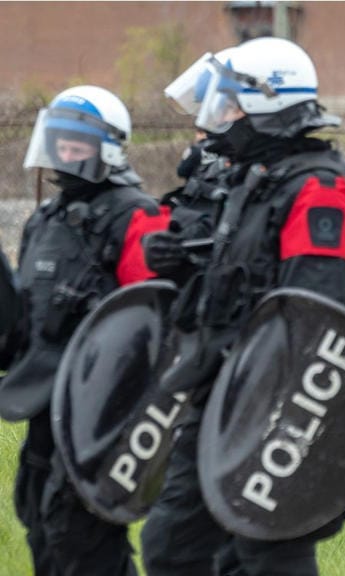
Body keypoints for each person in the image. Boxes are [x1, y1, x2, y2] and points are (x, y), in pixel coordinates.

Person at [140, 37, 345, 576]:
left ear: (269, 103)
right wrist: (181, 260)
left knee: (266, 551)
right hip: (219, 383)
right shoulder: (252, 179)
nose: (224, 115)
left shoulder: (318, 186)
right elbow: (233, 279)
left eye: (234, 103)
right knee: (174, 543)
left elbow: (312, 309)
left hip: (275, 396)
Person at [0, 85, 170, 575]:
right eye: (59, 140)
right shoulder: (45, 219)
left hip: (103, 413)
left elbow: (155, 319)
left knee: (83, 538)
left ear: (107, 147)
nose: (66, 151)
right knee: (37, 518)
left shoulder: (139, 215)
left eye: (78, 142)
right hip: (42, 405)